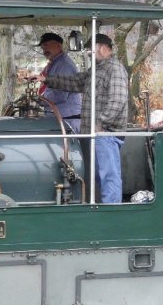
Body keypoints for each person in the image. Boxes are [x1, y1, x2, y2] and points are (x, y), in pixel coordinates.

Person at [39, 33, 128, 203]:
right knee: (94, 175)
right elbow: (74, 82)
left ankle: (111, 212)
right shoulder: (95, 70)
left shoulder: (115, 69)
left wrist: (100, 124)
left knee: (109, 176)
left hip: (105, 134)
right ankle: (96, 207)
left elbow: (117, 101)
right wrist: (46, 79)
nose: (89, 54)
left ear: (103, 48)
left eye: (91, 51)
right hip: (91, 133)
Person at [35, 32, 82, 132]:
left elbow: (61, 95)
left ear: (58, 45)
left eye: (46, 46)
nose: (44, 51)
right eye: (43, 48)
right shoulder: (55, 63)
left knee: (67, 147)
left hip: (67, 120)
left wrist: (39, 100)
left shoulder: (63, 64)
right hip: (60, 118)